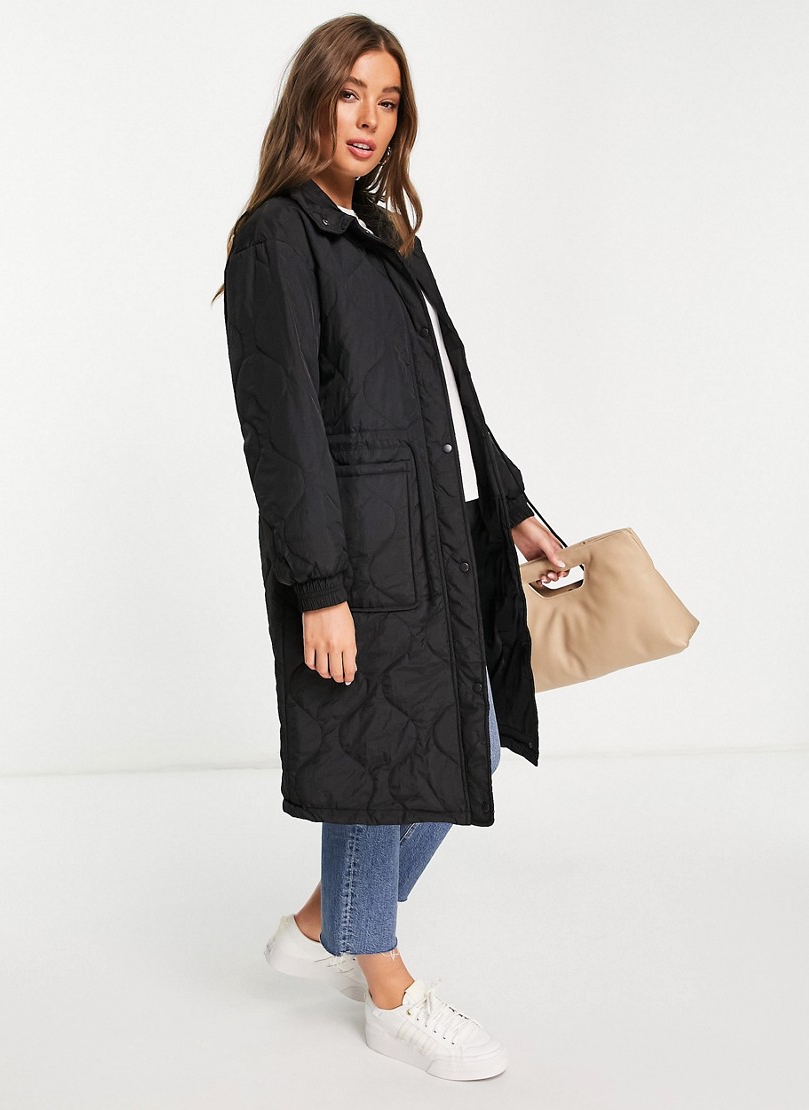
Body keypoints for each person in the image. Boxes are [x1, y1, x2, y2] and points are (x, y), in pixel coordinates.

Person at [215, 14, 567, 1082]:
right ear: (312, 100)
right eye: (350, 94)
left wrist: (511, 505)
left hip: (429, 536)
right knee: (378, 759)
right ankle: (387, 987)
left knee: (468, 734)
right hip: (353, 556)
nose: (368, 119)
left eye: (389, 100)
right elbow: (282, 427)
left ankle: (324, 922)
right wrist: (318, 585)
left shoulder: (381, 229)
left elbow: (451, 386)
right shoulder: (280, 237)